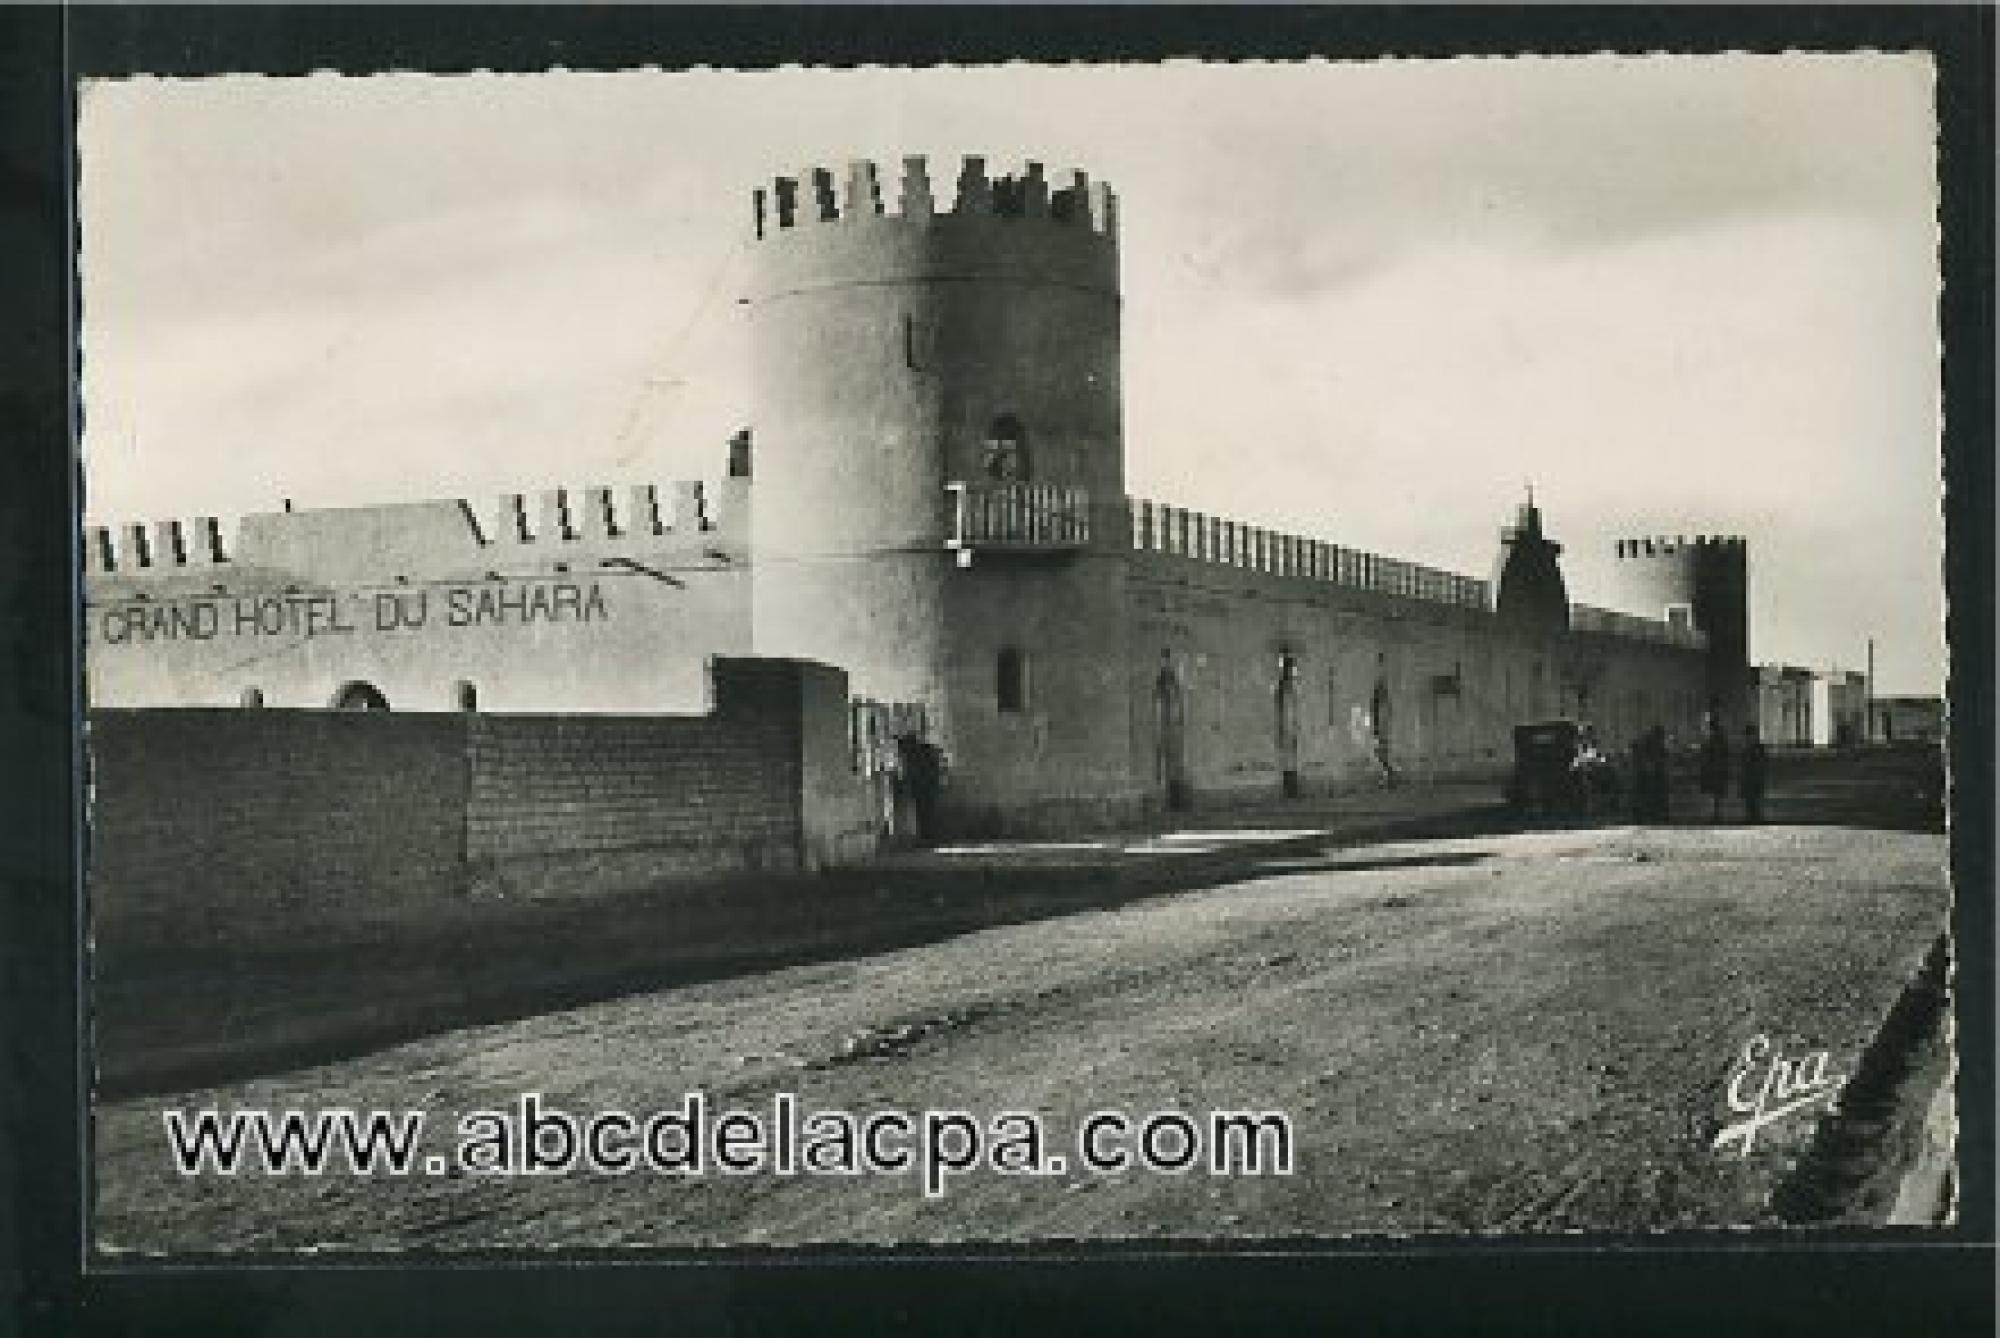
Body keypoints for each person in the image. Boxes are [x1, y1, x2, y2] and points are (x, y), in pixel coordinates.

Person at [896, 732, 946, 845]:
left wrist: (907, 781)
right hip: (928, 786)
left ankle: (928, 837)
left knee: (925, 813)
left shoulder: (916, 754)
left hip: (924, 786)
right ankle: (929, 837)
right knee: (928, 812)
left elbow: (914, 772)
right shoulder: (926, 750)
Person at [1697, 714, 1731, 822]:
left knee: (1715, 792)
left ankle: (1716, 812)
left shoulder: (1713, 739)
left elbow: (1709, 752)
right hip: (1718, 768)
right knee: (1717, 792)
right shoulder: (1720, 738)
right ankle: (1716, 812)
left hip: (1714, 768)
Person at [1739, 724, 1768, 823]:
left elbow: (1760, 761)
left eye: (1750, 735)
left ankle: (1756, 816)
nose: (1749, 738)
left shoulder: (1757, 747)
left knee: (1755, 798)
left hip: (1754, 776)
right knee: (1749, 799)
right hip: (1749, 776)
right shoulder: (1748, 747)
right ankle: (1751, 816)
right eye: (1748, 736)